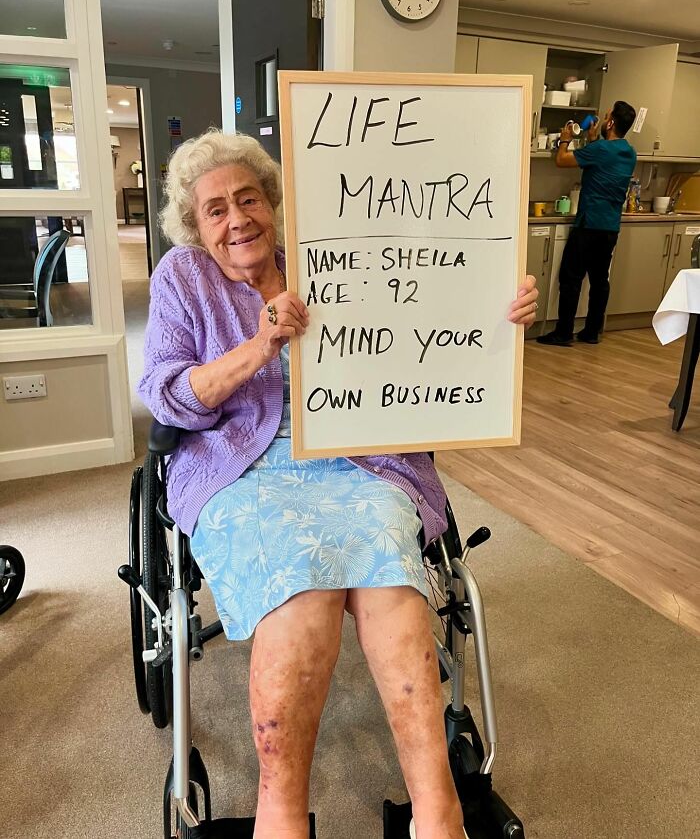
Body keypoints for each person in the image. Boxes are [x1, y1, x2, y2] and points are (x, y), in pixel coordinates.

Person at [139, 129, 539, 839]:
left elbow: (427, 329)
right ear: (195, 224)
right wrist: (259, 344)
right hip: (242, 464)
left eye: (249, 199)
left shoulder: (333, 257)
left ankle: (438, 810)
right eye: (216, 210)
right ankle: (280, 812)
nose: (237, 220)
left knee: (390, 568)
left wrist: (499, 317)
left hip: (360, 457)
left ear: (272, 201)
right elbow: (166, 392)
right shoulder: (183, 277)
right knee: (300, 581)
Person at [537, 100, 637, 347]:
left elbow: (562, 160)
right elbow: (601, 160)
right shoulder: (629, 152)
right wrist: (594, 139)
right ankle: (592, 331)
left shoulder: (601, 149)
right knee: (599, 280)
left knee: (571, 278)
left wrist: (564, 138)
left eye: (606, 116)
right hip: (610, 228)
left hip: (589, 224)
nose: (603, 120)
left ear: (611, 122)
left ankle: (563, 332)